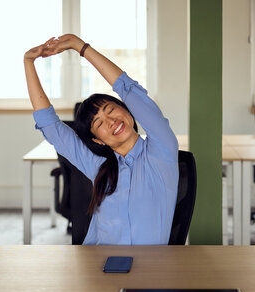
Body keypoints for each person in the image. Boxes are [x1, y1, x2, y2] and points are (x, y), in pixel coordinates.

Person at [24, 34, 179, 245]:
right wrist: (29, 62)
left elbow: (129, 89)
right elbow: (50, 126)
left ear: (129, 111)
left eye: (110, 110)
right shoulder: (98, 167)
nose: (110, 121)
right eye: (98, 124)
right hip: (99, 267)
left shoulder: (162, 151)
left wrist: (80, 46)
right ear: (98, 140)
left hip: (149, 271)